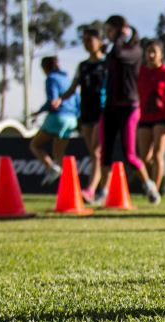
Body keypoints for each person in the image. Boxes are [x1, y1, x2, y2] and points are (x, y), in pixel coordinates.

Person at [99, 15, 160, 204]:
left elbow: (119, 55)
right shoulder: (113, 50)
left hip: (129, 107)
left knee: (130, 155)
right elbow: (110, 59)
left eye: (110, 31)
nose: (107, 34)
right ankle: (102, 192)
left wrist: (121, 37)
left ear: (120, 30)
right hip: (110, 106)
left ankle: (149, 186)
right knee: (105, 153)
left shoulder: (135, 51)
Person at [55, 28, 107, 201]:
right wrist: (60, 99)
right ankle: (102, 189)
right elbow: (72, 88)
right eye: (84, 41)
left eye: (90, 40)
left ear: (99, 42)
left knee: (97, 152)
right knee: (94, 153)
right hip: (86, 113)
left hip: (102, 112)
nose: (87, 44)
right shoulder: (83, 66)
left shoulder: (107, 64)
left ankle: (91, 190)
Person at [29, 56, 79, 186]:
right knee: (59, 154)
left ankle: (51, 167)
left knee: (35, 145)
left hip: (58, 117)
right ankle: (69, 186)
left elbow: (53, 101)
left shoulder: (51, 78)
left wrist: (39, 111)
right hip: (72, 119)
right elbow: (77, 99)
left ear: (45, 68)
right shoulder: (67, 79)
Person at [138, 40, 165, 196]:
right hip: (144, 117)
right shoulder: (141, 72)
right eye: (148, 51)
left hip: (162, 117)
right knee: (144, 158)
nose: (151, 55)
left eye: (154, 52)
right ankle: (149, 184)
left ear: (161, 54)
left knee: (157, 154)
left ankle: (155, 190)